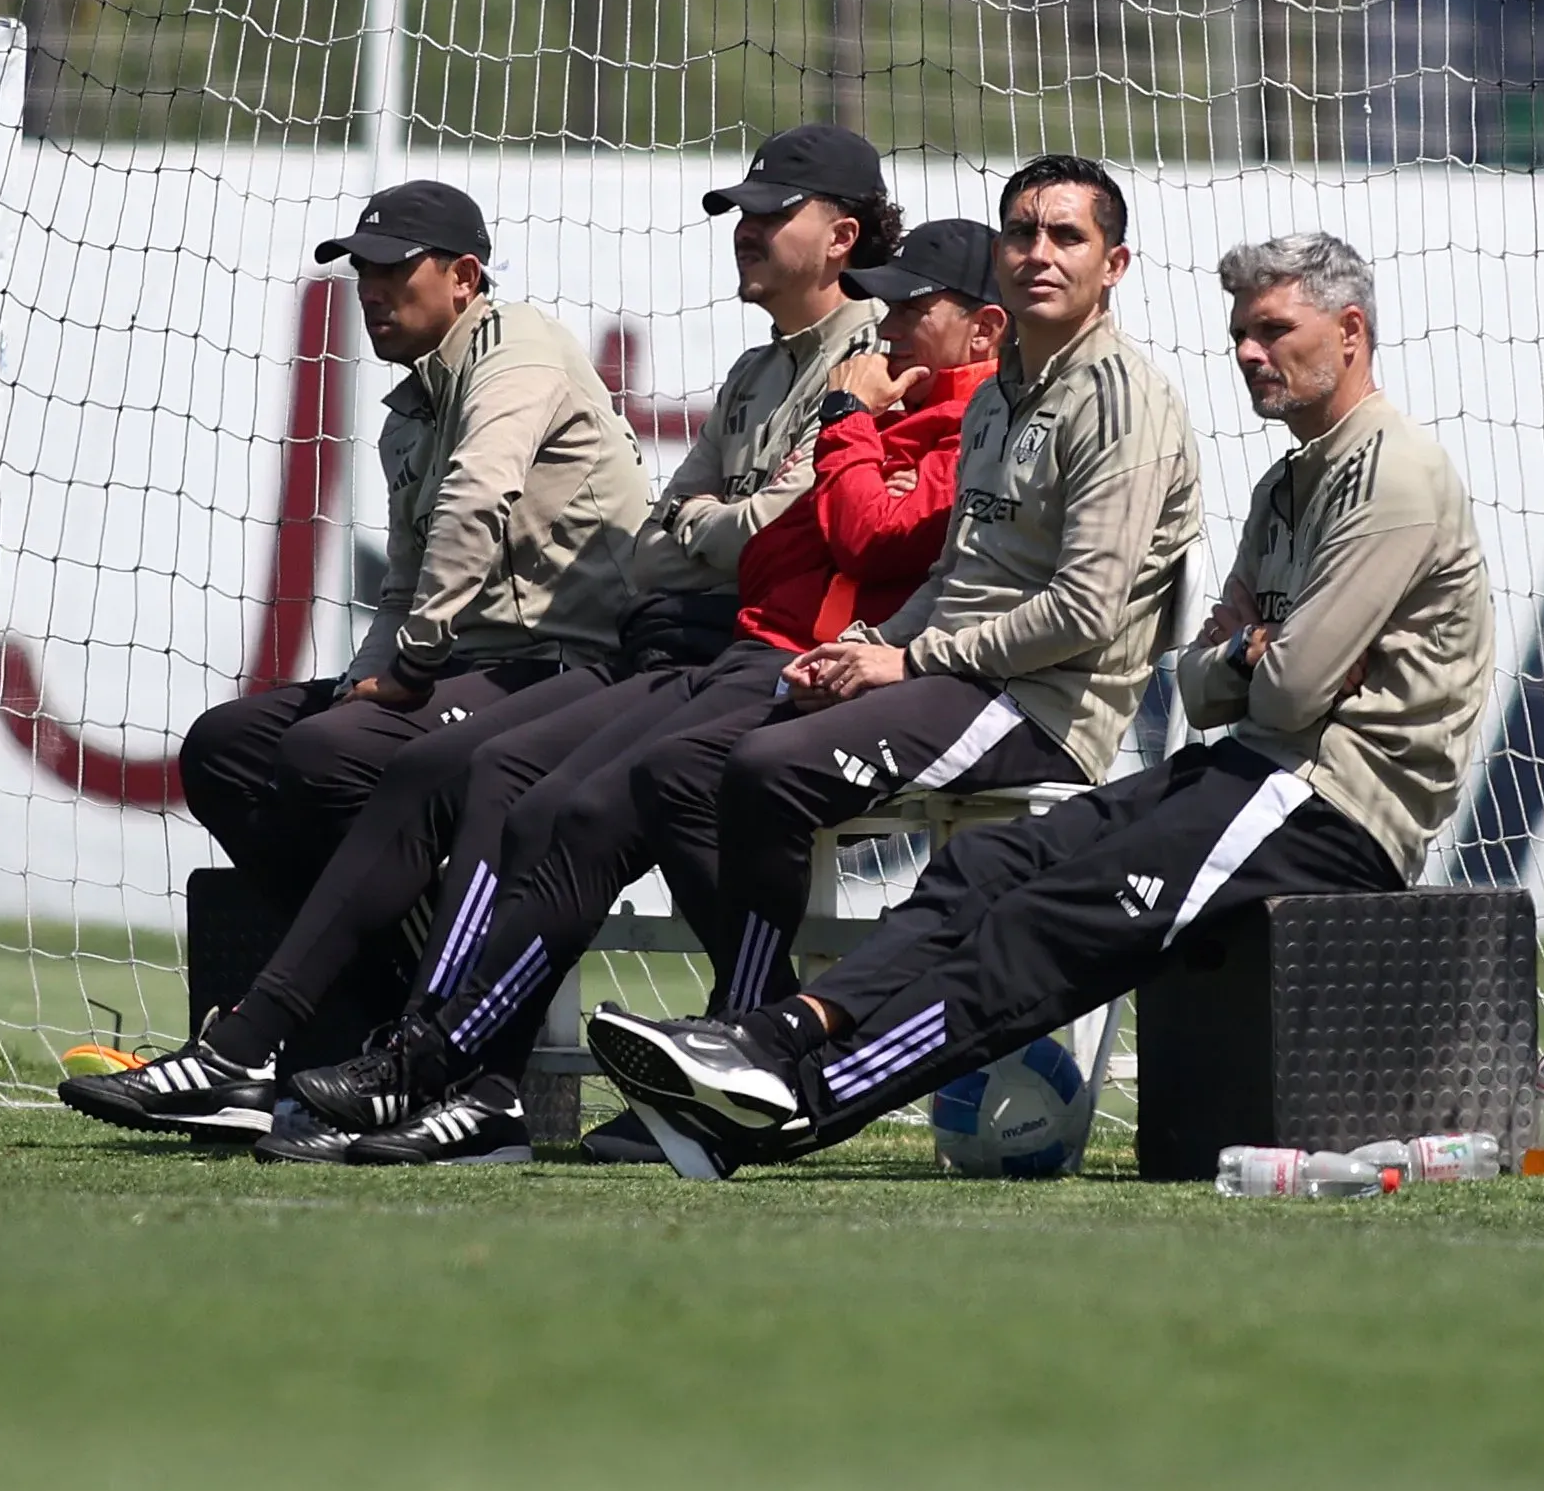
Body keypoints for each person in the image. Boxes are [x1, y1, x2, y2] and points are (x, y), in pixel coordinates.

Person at [584, 231, 1497, 1181]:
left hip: (1332, 802)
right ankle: (773, 1036)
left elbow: (1289, 686)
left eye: (1272, 330)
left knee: (1043, 922)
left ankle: (790, 1110)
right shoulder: (1282, 484)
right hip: (1250, 767)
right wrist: (1246, 654)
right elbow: (1201, 686)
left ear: (1348, 332)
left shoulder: (1392, 473)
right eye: (1239, 332)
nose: (1247, 351)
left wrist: (1252, 658)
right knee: (985, 866)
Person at [58, 130, 894, 1143]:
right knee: (230, 746)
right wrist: (379, 673)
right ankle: (351, 1036)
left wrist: (409, 666)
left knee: (404, 763)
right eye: (361, 272)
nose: (372, 291)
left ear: (463, 277)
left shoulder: (845, 360)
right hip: (603, 657)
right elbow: (658, 541)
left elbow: (502, 507)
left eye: (392, 270)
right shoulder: (740, 372)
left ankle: (387, 1053)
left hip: (590, 660)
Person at [278, 218, 1007, 1166]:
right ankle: (467, 1077)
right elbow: (708, 548)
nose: (891, 326)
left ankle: (511, 1061)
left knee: (629, 788)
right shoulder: (855, 396)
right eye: (888, 304)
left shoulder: (950, 415)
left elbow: (862, 535)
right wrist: (810, 475)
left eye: (912, 308)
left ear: (983, 328)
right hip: (750, 648)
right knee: (535, 790)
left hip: (830, 668)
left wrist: (842, 423)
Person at [618, 153, 1200, 1027]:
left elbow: (1083, 612)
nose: (1039, 253)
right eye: (1021, 233)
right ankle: (755, 1019)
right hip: (949, 678)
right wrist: (864, 646)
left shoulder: (1119, 400)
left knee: (769, 768)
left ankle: (754, 1029)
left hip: (1036, 704)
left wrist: (909, 658)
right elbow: (950, 576)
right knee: (676, 767)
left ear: (1112, 264)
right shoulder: (1001, 397)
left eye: (1066, 236)